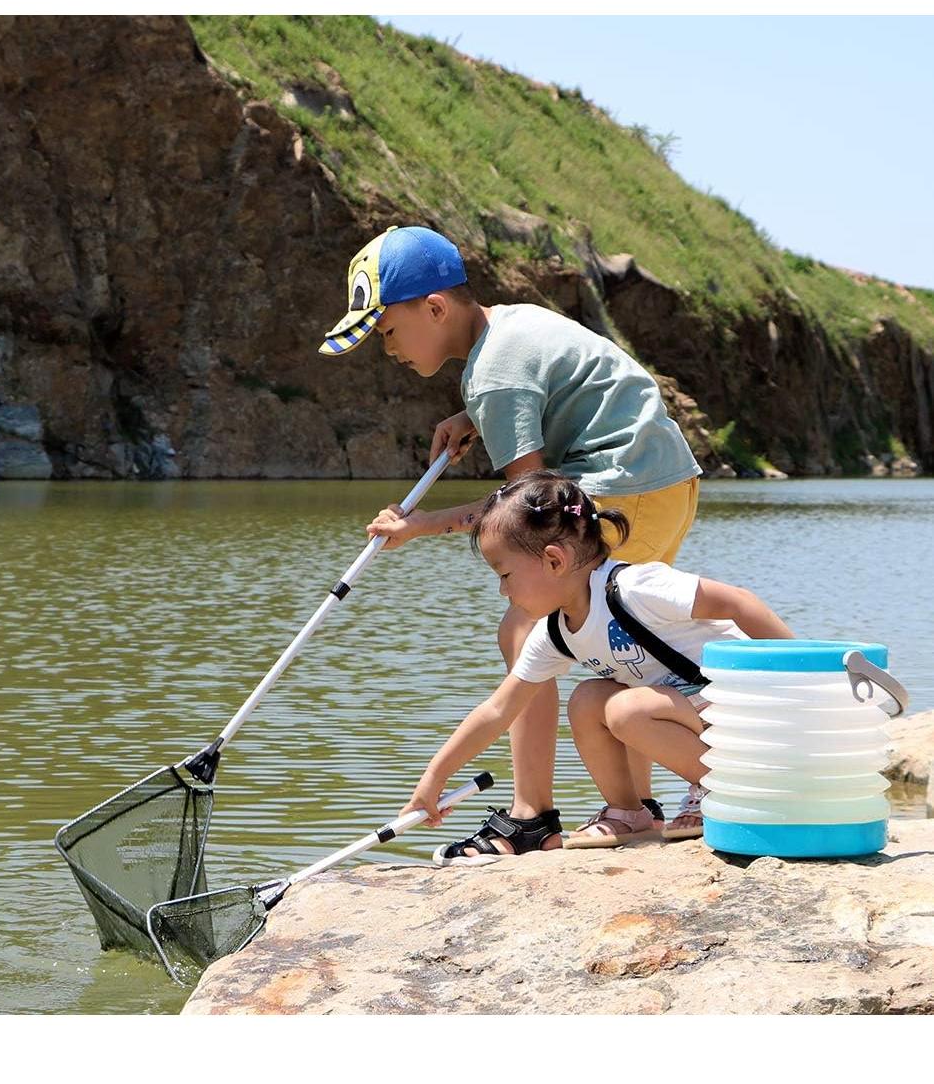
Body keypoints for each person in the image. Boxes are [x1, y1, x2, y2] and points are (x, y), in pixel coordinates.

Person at [319, 224, 705, 858]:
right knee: (615, 635)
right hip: (661, 483)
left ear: (434, 308)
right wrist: (474, 415)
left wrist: (421, 525)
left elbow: (528, 514)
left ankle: (532, 816)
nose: (386, 350)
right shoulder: (509, 326)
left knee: (525, 629)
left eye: (386, 332)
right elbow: (550, 383)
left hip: (623, 487)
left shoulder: (494, 376)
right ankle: (633, 807)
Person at [399, 470, 794, 858]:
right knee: (587, 699)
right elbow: (499, 709)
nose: (503, 590)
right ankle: (628, 813)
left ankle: (725, 789)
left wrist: (808, 674)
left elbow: (739, 602)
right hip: (697, 715)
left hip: (748, 716)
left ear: (554, 560)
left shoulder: (636, 588)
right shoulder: (556, 633)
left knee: (626, 709)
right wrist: (434, 776)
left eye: (505, 575)